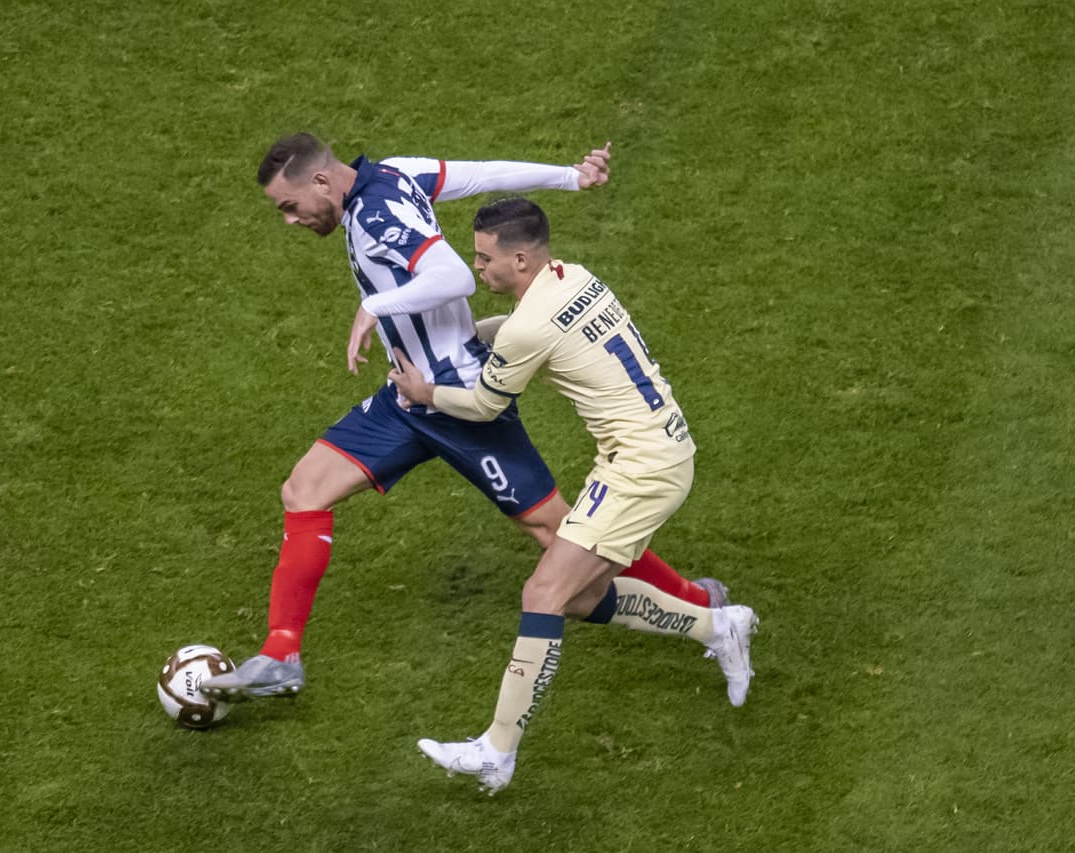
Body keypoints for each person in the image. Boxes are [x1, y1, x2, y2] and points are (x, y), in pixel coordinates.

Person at [202, 134, 726, 703]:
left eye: (289, 205)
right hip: (406, 398)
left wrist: (375, 306)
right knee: (303, 490)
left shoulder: (377, 214)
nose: (290, 219)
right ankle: (281, 654)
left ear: (322, 182)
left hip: (458, 399)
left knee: (556, 531)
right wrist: (568, 177)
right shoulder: (396, 172)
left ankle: (700, 603)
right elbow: (481, 174)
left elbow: (454, 277)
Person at [389, 198, 759, 794]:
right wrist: (463, 337)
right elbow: (514, 336)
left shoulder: (529, 325)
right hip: (651, 453)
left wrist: (425, 390)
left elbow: (486, 404)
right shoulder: (574, 276)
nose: (476, 269)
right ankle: (718, 627)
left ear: (519, 256)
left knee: (542, 591)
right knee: (581, 598)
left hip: (641, 468)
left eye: (484, 258)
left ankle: (497, 751)